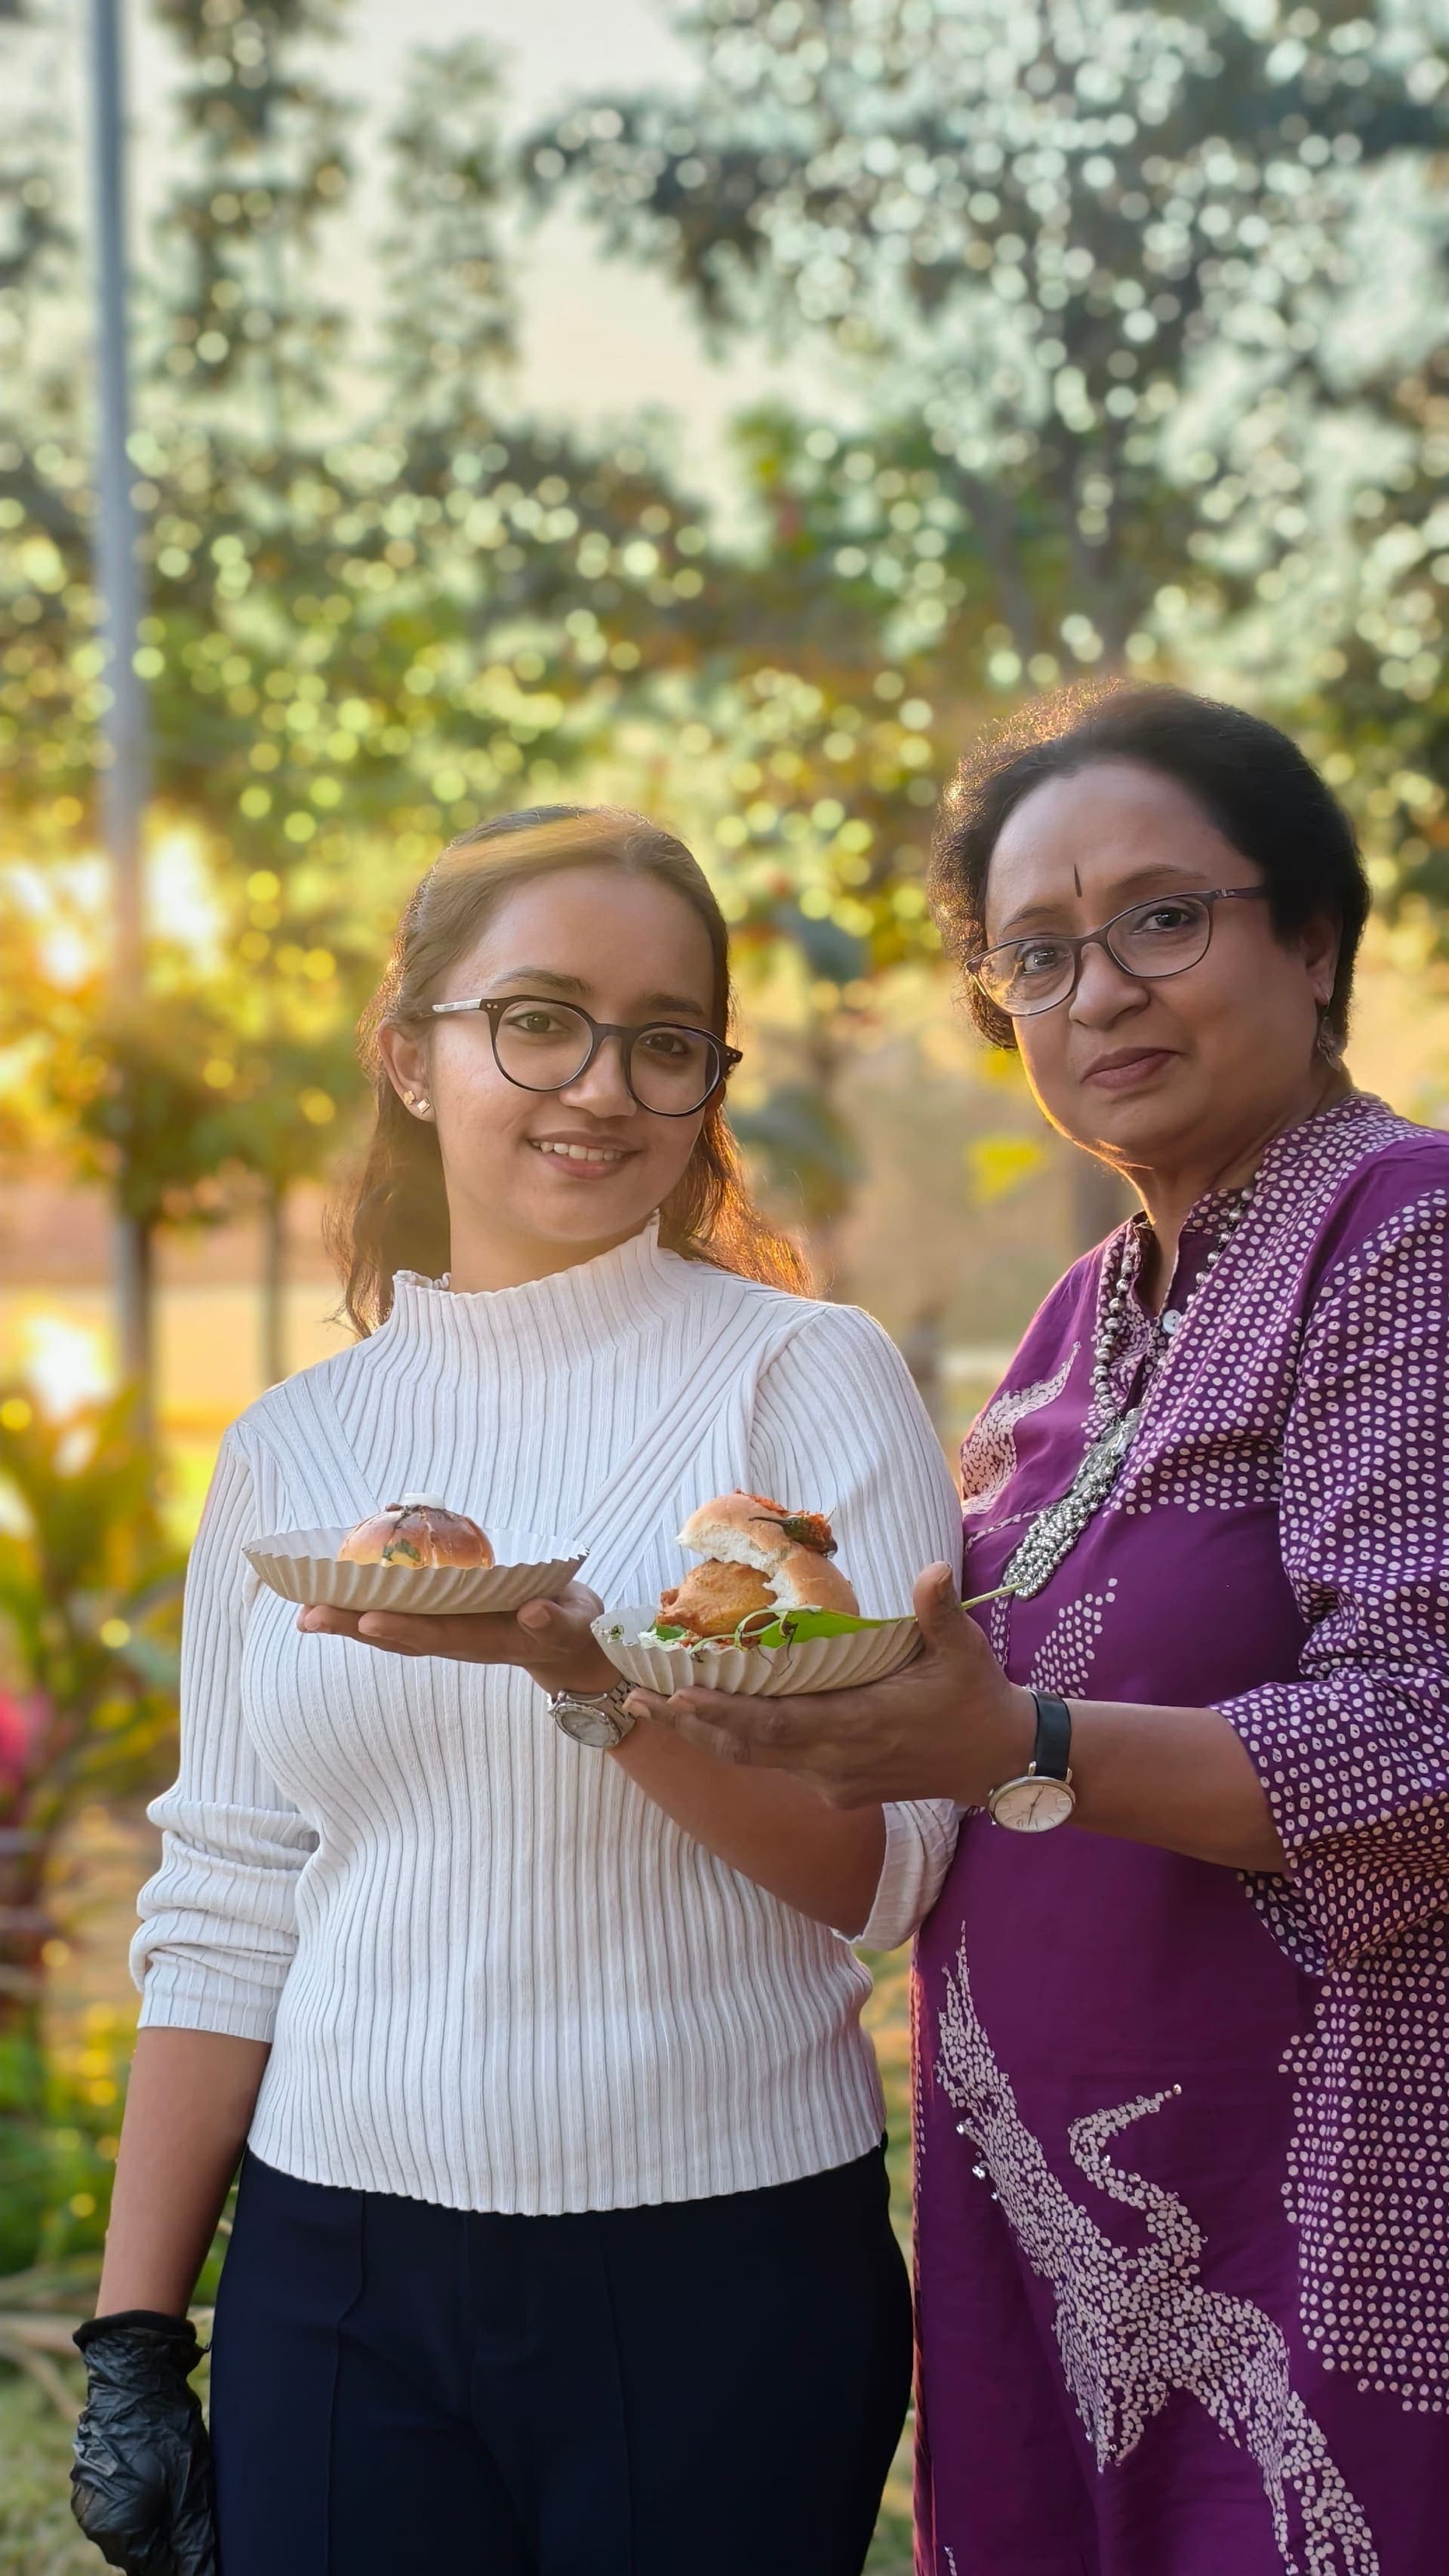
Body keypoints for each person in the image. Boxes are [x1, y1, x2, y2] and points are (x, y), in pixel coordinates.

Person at [72, 807, 962, 2576]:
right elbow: (229, 1891)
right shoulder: (293, 1447)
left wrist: (592, 1683)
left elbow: (885, 1873)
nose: (604, 1087)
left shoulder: (802, 1378)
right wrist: (133, 2341)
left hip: (719, 2265)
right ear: (412, 1053)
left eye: (665, 1041)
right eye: (540, 1020)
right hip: (336, 2272)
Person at [628, 689, 1449, 2576]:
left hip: (1312, 2225)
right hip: (1049, 2222)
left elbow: (1424, 1735)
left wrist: (1027, 1743)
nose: (1101, 993)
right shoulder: (1088, 1313)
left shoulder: (1402, 1235)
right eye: (1040, 954)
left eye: (1164, 918)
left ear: (1315, 939)